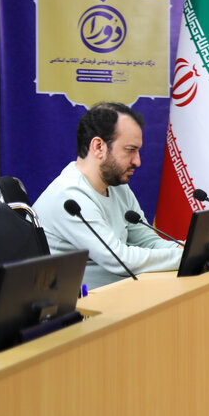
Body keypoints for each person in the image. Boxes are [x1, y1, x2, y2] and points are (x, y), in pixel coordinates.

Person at [32, 102, 183, 289]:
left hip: (119, 295)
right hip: (80, 304)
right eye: (130, 150)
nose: (137, 161)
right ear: (98, 147)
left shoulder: (117, 187)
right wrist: (184, 256)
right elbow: (118, 259)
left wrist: (186, 248)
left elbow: (147, 242)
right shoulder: (69, 197)